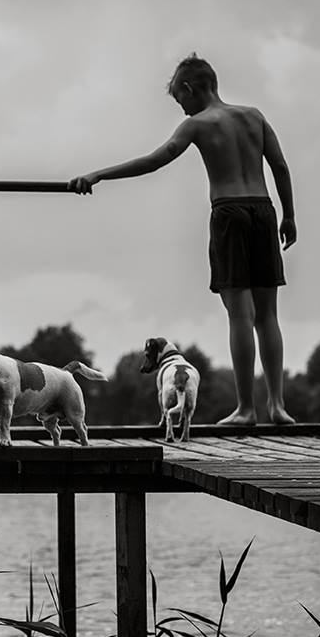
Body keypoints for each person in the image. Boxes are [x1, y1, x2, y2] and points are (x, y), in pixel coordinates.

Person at [69, 54, 297, 426]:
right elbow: (280, 167)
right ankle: (277, 405)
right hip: (263, 210)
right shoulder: (254, 116)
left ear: (190, 88)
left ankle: (246, 409)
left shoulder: (198, 124)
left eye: (179, 99)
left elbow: (156, 159)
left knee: (241, 315)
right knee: (268, 314)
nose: (182, 107)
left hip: (229, 213)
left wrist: (99, 175)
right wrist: (289, 215)